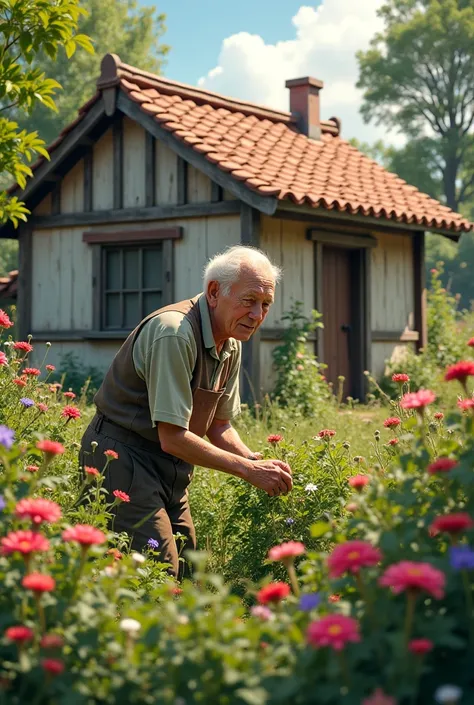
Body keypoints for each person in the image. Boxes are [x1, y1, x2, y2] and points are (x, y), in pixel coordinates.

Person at [79, 245, 293, 578]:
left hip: (169, 466)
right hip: (120, 457)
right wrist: (248, 472)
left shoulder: (231, 342)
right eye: (249, 301)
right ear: (214, 292)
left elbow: (219, 425)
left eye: (266, 304)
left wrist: (254, 461)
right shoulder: (174, 333)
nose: (257, 315)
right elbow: (172, 436)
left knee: (189, 566)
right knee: (157, 572)